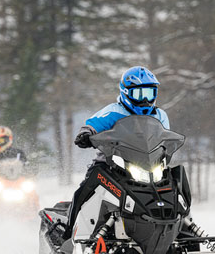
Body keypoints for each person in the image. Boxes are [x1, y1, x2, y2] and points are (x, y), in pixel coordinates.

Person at [63, 66, 169, 239]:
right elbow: (94, 123)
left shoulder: (160, 115)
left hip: (148, 165)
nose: (144, 100)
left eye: (149, 93)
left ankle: (181, 226)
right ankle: (68, 233)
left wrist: (167, 147)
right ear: (126, 92)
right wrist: (86, 133)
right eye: (138, 94)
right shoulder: (113, 111)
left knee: (174, 182)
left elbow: (164, 136)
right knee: (85, 189)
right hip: (111, 164)